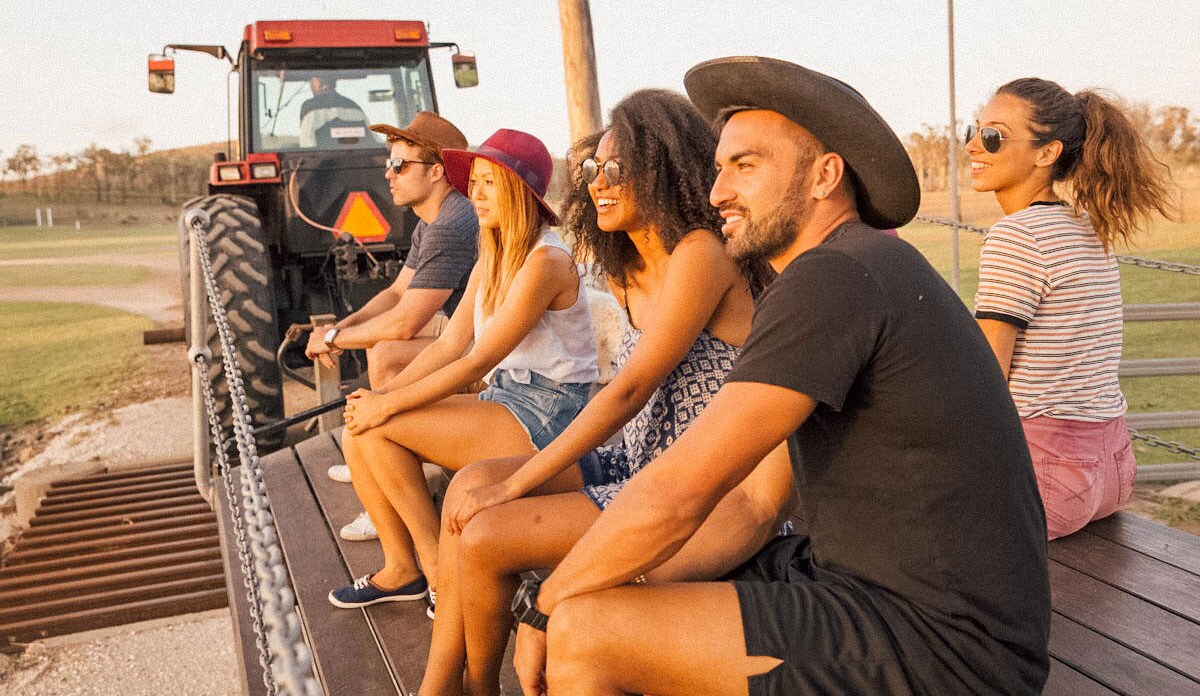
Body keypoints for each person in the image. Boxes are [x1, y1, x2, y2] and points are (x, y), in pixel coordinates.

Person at [511, 57, 1051, 696]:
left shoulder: (835, 277)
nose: (717, 195)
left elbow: (683, 489)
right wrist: (615, 579)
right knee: (618, 590)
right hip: (881, 592)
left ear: (825, 176)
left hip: (944, 646)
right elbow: (754, 502)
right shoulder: (849, 268)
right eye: (718, 169)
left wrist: (544, 605)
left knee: (586, 633)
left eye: (746, 166)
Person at [418, 89, 793, 696]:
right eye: (592, 169)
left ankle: (470, 690)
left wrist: (519, 484)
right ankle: (444, 684)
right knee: (469, 484)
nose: (598, 182)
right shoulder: (625, 267)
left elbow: (630, 390)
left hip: (689, 481)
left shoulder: (701, 253)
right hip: (638, 461)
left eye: (619, 168)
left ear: (665, 167)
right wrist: (505, 482)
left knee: (488, 530)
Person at [327, 129, 599, 613]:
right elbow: (451, 343)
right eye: (473, 182)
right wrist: (377, 397)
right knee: (360, 429)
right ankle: (409, 571)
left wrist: (388, 402)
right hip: (509, 401)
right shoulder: (494, 251)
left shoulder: (545, 263)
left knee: (380, 424)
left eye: (489, 182)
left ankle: (438, 579)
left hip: (552, 419)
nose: (473, 193)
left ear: (520, 191)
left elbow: (478, 360)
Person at [967, 78, 1176, 540]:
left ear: (1047, 153)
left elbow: (986, 374)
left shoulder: (1015, 235)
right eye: (973, 130)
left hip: (1046, 478)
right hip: (1113, 472)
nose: (972, 147)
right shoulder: (1087, 226)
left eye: (992, 137)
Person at [305, 111, 478, 542]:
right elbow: (398, 292)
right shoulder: (432, 219)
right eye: (388, 163)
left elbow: (405, 323)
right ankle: (381, 456)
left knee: (386, 350)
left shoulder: (453, 224)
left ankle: (389, 471)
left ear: (437, 171)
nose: (388, 174)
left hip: (491, 349)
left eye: (400, 165)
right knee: (380, 348)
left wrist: (331, 339)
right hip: (467, 332)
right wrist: (340, 329)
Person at [299, 75, 371, 148]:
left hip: (325, 158)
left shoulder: (310, 107)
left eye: (311, 81)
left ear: (319, 83)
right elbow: (373, 141)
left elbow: (307, 143)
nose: (310, 85)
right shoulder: (354, 107)